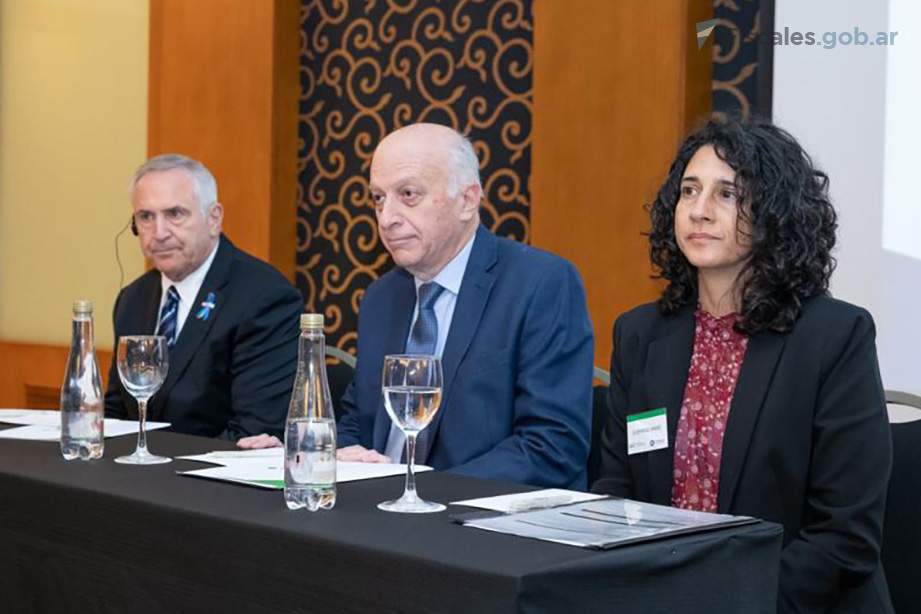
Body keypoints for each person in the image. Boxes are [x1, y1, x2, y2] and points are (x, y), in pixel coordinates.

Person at [593, 118, 893, 613]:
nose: (700, 210)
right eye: (689, 191)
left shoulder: (835, 336)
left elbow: (845, 535)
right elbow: (616, 494)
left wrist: (727, 602)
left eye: (727, 194)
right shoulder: (640, 334)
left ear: (775, 211)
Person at [241, 123, 594, 490]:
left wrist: (418, 486)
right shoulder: (382, 297)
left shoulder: (539, 283)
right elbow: (358, 424)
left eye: (408, 194)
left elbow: (552, 446)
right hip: (379, 506)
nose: (386, 218)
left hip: (480, 514)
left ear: (468, 200)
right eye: (379, 198)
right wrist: (308, 457)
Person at [105, 154, 304, 441]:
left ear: (214, 219)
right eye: (146, 217)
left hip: (215, 466)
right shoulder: (132, 299)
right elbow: (117, 413)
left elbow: (255, 430)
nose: (159, 233)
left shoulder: (265, 297)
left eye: (175, 214)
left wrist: (165, 464)